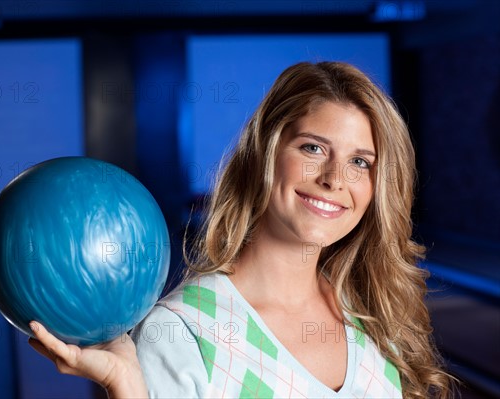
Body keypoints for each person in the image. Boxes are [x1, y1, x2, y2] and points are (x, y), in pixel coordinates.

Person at [29, 61, 453, 398]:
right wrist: (126, 385)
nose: (334, 179)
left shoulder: (371, 311)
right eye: (313, 148)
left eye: (360, 162)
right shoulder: (184, 331)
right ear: (264, 154)